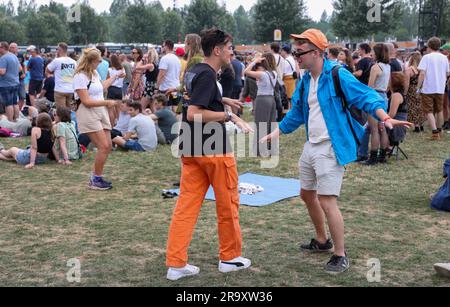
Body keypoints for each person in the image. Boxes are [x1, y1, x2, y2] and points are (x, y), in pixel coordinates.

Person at [260, 29, 413, 275]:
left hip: (331, 146)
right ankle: (322, 241)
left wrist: (386, 118)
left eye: (301, 52)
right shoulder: (306, 80)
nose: (297, 56)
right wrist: (275, 132)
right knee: (306, 194)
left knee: (327, 200)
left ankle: (340, 254)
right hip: (311, 145)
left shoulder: (337, 74)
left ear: (318, 52)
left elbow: (367, 97)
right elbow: (298, 112)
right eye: (296, 51)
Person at [166, 27, 253, 281]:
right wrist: (229, 116)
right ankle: (229, 257)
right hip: (212, 148)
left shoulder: (195, 70)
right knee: (228, 204)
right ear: (217, 50)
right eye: (229, 47)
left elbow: (195, 99)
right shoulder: (205, 74)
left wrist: (224, 101)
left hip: (191, 147)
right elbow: (194, 112)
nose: (232, 51)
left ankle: (176, 263)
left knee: (186, 207)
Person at [73, 48, 121, 190]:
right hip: (89, 112)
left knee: (108, 146)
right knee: (103, 146)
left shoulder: (93, 73)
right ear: (90, 61)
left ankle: (96, 177)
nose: (100, 63)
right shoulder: (80, 76)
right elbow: (86, 101)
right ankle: (96, 179)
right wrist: (107, 103)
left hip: (100, 110)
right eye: (98, 61)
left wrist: (115, 77)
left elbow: (100, 87)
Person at [361, 43, 392, 165]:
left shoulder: (375, 67)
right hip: (384, 96)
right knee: (382, 128)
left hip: (374, 96)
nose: (371, 54)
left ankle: (373, 157)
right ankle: (382, 156)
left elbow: (370, 87)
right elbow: (389, 85)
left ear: (377, 53)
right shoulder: (387, 66)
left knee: (374, 129)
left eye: (373, 52)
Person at [244, 52, 278, 157]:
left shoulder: (262, 74)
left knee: (260, 125)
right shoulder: (274, 73)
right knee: (271, 125)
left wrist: (254, 61)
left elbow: (246, 71)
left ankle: (260, 150)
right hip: (271, 100)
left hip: (262, 99)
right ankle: (271, 149)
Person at [417, 37, 450, 140]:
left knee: (429, 111)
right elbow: (448, 73)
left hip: (428, 88)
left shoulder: (426, 57)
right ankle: (439, 130)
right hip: (440, 88)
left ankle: (435, 132)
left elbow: (422, 73)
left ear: (429, 46)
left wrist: (418, 87)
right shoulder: (444, 57)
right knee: (439, 109)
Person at [46, 42, 77, 108]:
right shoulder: (74, 62)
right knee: (69, 111)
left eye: (57, 49)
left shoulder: (57, 60)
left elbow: (47, 70)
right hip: (71, 89)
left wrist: (55, 57)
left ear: (60, 50)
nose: (56, 51)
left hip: (60, 90)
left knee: (61, 112)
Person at [157, 40, 181, 111]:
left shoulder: (165, 58)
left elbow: (161, 74)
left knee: (165, 109)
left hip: (166, 88)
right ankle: (175, 122)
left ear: (166, 47)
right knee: (175, 108)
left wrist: (157, 87)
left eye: (162, 46)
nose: (162, 48)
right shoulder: (177, 59)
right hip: (175, 87)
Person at [405, 52, 425, 132]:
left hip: (412, 89)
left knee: (412, 107)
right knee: (420, 106)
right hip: (421, 89)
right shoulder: (422, 69)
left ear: (412, 59)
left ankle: (416, 126)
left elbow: (406, 83)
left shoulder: (409, 69)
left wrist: (405, 93)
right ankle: (421, 124)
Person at [0, 41, 20, 121]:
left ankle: (10, 121)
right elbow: (19, 69)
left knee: (8, 104)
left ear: (3, 48)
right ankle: (17, 120)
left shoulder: (3, 58)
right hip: (15, 83)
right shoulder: (14, 56)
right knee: (15, 103)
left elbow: (2, 72)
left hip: (6, 84)